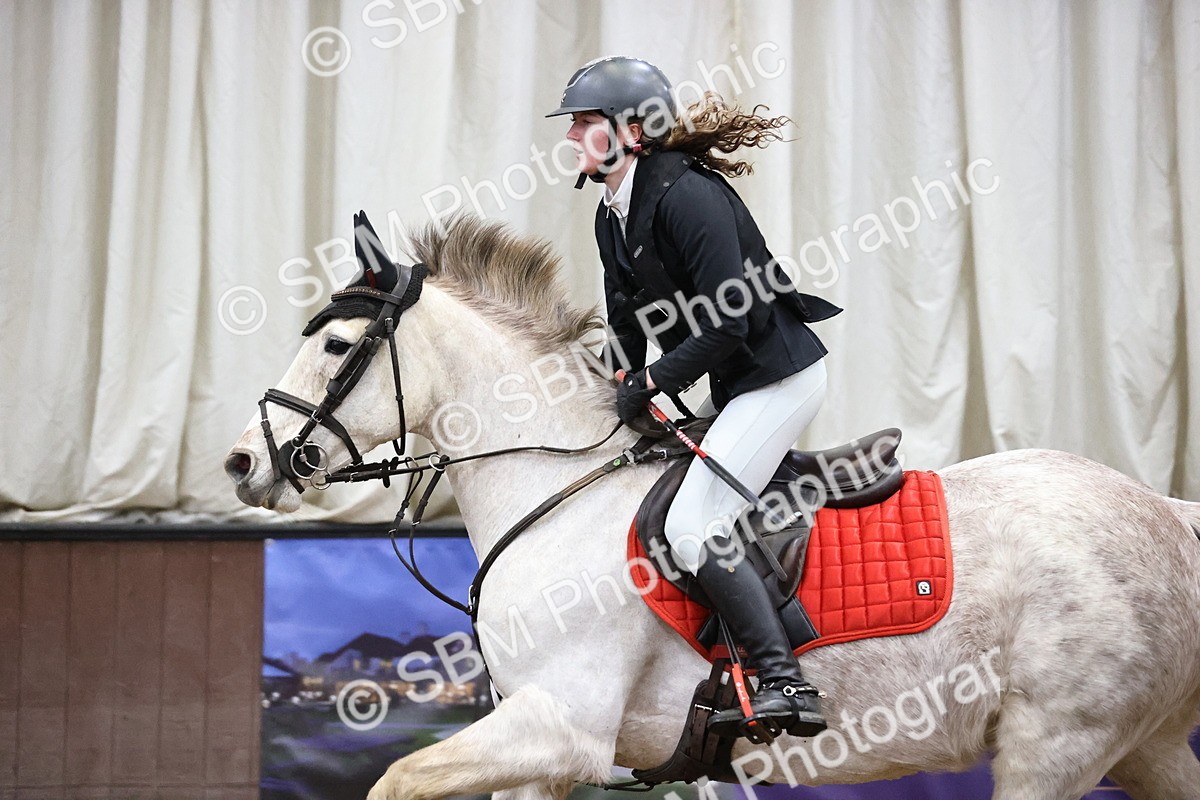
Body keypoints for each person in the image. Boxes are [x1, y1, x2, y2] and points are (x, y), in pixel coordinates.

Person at [548, 56, 842, 739]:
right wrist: (619, 386)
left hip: (781, 379)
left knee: (692, 526)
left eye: (585, 123)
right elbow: (627, 324)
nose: (571, 137)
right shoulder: (610, 212)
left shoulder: (688, 197)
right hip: (737, 385)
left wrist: (654, 382)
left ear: (632, 131)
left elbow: (730, 322)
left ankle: (785, 681)